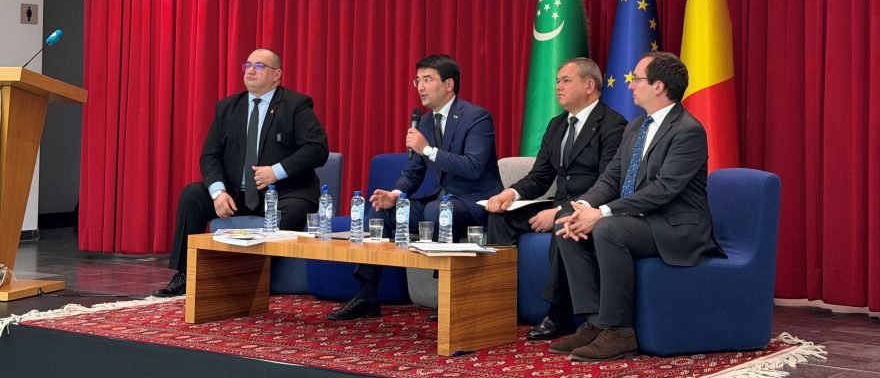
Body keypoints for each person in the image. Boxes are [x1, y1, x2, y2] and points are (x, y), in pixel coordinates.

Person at [549, 51, 722, 362]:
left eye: (637, 79)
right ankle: (596, 321)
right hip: (640, 219)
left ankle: (620, 332)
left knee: (608, 228)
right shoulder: (635, 126)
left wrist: (603, 212)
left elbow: (663, 190)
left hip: (674, 226)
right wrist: (584, 205)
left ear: (658, 86)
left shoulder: (688, 131)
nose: (629, 85)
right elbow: (612, 177)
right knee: (567, 220)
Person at [327, 54, 503, 321]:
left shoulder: (476, 117)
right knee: (381, 212)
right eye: (417, 80)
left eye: (427, 79)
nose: (420, 87)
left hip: (476, 202)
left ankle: (446, 296)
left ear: (448, 84)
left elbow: (473, 167)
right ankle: (366, 294)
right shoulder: (426, 122)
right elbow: (413, 172)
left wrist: (428, 149)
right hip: (441, 202)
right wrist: (394, 195)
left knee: (437, 211)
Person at [153, 48, 329, 297]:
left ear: (277, 75)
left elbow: (317, 149)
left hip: (284, 193)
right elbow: (210, 155)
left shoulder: (295, 105)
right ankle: (185, 273)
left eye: (259, 66)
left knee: (294, 208)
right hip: (237, 195)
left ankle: (254, 279)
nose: (251, 71)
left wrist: (276, 172)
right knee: (192, 195)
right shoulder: (227, 107)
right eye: (247, 65)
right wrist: (218, 192)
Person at [485, 57, 626, 340]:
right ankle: (498, 302)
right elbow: (540, 176)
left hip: (590, 208)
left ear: (589, 85)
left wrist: (559, 210)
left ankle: (558, 314)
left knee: (563, 220)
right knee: (500, 215)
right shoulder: (557, 125)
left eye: (566, 81)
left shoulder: (613, 125)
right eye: (557, 81)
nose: (558, 87)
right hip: (560, 202)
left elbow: (608, 183)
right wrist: (510, 193)